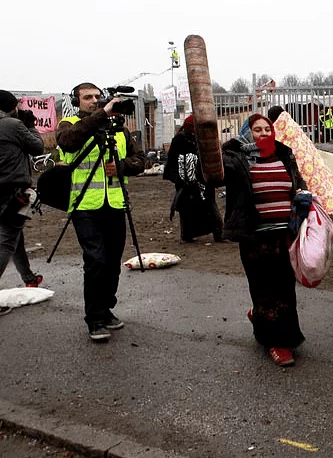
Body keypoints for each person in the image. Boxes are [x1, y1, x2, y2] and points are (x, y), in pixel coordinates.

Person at [56, 83, 146, 341]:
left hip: (115, 203)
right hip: (85, 204)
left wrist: (122, 167)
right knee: (95, 259)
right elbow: (69, 143)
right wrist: (102, 115)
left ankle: (106, 308)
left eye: (97, 97)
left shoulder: (119, 129)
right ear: (77, 101)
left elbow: (141, 161)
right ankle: (94, 318)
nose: (94, 101)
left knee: (112, 262)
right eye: (88, 97)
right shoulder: (69, 124)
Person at [221, 113, 308, 367]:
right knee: (264, 289)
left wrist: (302, 192)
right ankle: (277, 343)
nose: (263, 133)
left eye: (267, 129)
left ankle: (271, 326)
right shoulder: (235, 157)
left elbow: (297, 180)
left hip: (284, 235)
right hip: (255, 237)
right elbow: (215, 176)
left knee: (285, 289)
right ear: (247, 132)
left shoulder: (284, 153)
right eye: (256, 129)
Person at [0, 91, 45, 303]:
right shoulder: (12, 125)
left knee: (15, 235)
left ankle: (28, 277)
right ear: (11, 106)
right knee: (8, 240)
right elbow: (37, 147)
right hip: (16, 191)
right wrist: (30, 125)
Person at [163, 115, 223, 243]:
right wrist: (179, 179)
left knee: (210, 206)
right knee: (186, 209)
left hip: (203, 179)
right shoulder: (179, 140)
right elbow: (173, 162)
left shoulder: (204, 139)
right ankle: (187, 235)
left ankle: (219, 234)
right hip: (185, 180)